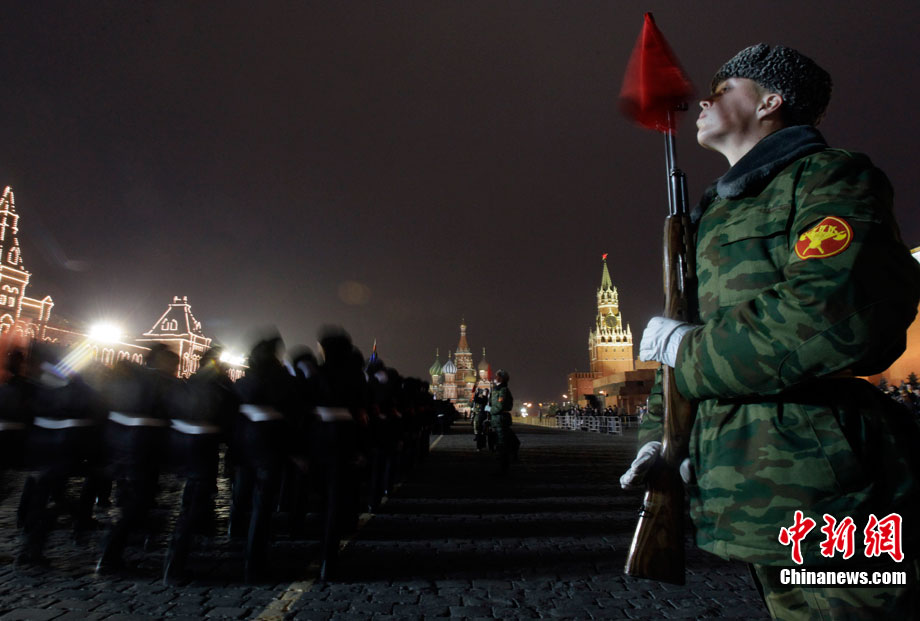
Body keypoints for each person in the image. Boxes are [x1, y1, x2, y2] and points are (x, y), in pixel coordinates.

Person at [624, 44, 920, 619]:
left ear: (770, 100)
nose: (703, 100)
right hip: (749, 487)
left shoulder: (827, 178)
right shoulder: (719, 210)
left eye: (724, 85)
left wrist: (688, 353)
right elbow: (690, 326)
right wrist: (661, 435)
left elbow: (835, 310)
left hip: (830, 489)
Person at [488, 369, 519, 473]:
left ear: (501, 378)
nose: (495, 378)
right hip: (497, 420)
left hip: (501, 420)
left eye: (497, 376)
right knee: (503, 443)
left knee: (503, 445)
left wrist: (490, 410)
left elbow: (500, 406)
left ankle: (503, 468)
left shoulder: (503, 390)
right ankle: (504, 465)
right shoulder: (496, 389)